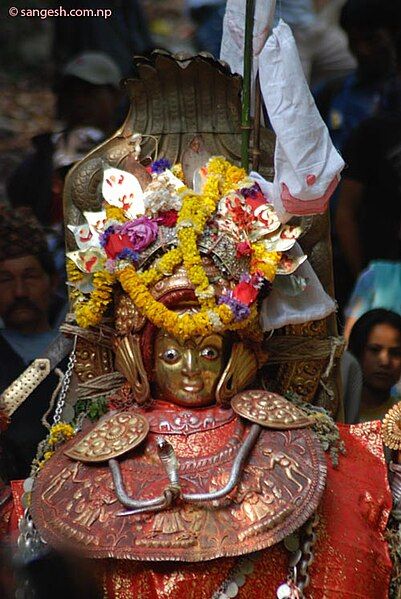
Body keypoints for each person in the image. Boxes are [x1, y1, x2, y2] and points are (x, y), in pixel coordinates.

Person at [7, 52, 122, 229]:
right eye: (71, 94)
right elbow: (19, 199)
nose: (79, 102)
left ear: (115, 96)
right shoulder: (45, 152)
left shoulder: (132, 148)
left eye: (89, 92)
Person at [0, 207, 67, 482]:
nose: (19, 292)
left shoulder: (79, 351)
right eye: (5, 280)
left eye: (29, 276)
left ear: (51, 282)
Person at [348, 309, 401, 423]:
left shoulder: (398, 420)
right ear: (356, 352)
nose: (385, 362)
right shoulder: (331, 411)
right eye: (374, 350)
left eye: (395, 353)